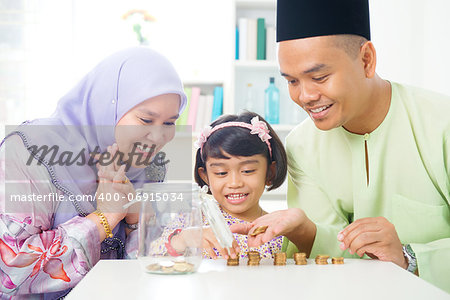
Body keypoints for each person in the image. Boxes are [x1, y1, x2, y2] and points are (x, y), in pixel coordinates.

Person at [231, 0, 450, 292]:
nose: (305, 96)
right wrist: (305, 230)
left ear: (367, 60)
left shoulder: (441, 123)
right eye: (292, 81)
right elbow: (333, 259)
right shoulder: (302, 145)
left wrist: (412, 257)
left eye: (319, 77)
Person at [0, 47, 187, 298]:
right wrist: (106, 217)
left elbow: (154, 269)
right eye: (145, 120)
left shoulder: (149, 165)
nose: (158, 137)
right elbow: (10, 270)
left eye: (169, 123)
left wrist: (135, 216)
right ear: (107, 106)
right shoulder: (31, 151)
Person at [157, 111, 287, 259]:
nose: (234, 183)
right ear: (205, 176)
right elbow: (152, 257)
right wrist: (183, 240)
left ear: (270, 173)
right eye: (221, 173)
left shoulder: (279, 230)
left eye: (247, 170)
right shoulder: (192, 219)